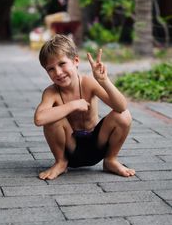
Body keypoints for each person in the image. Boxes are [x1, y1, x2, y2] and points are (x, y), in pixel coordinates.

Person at [34, 34, 135, 180]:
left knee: (123, 116)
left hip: (96, 145)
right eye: (51, 69)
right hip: (71, 149)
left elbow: (121, 106)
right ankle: (61, 162)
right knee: (51, 118)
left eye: (62, 64)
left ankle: (111, 160)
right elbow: (39, 119)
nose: (58, 72)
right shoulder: (51, 92)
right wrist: (73, 105)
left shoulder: (88, 83)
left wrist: (104, 81)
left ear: (75, 61)